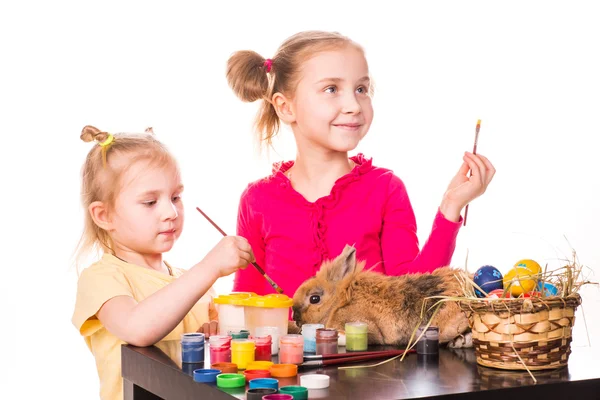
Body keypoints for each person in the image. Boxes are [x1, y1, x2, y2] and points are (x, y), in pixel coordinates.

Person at [226, 31, 495, 297]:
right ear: (285, 107)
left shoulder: (385, 189)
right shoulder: (257, 200)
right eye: (331, 89)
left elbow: (413, 294)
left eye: (361, 89)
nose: (354, 105)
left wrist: (451, 206)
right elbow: (246, 301)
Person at [71, 125, 254, 400]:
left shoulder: (197, 286)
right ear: (104, 215)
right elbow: (137, 329)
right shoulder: (102, 278)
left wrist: (217, 342)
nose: (171, 212)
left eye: (176, 197)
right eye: (149, 202)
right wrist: (210, 267)